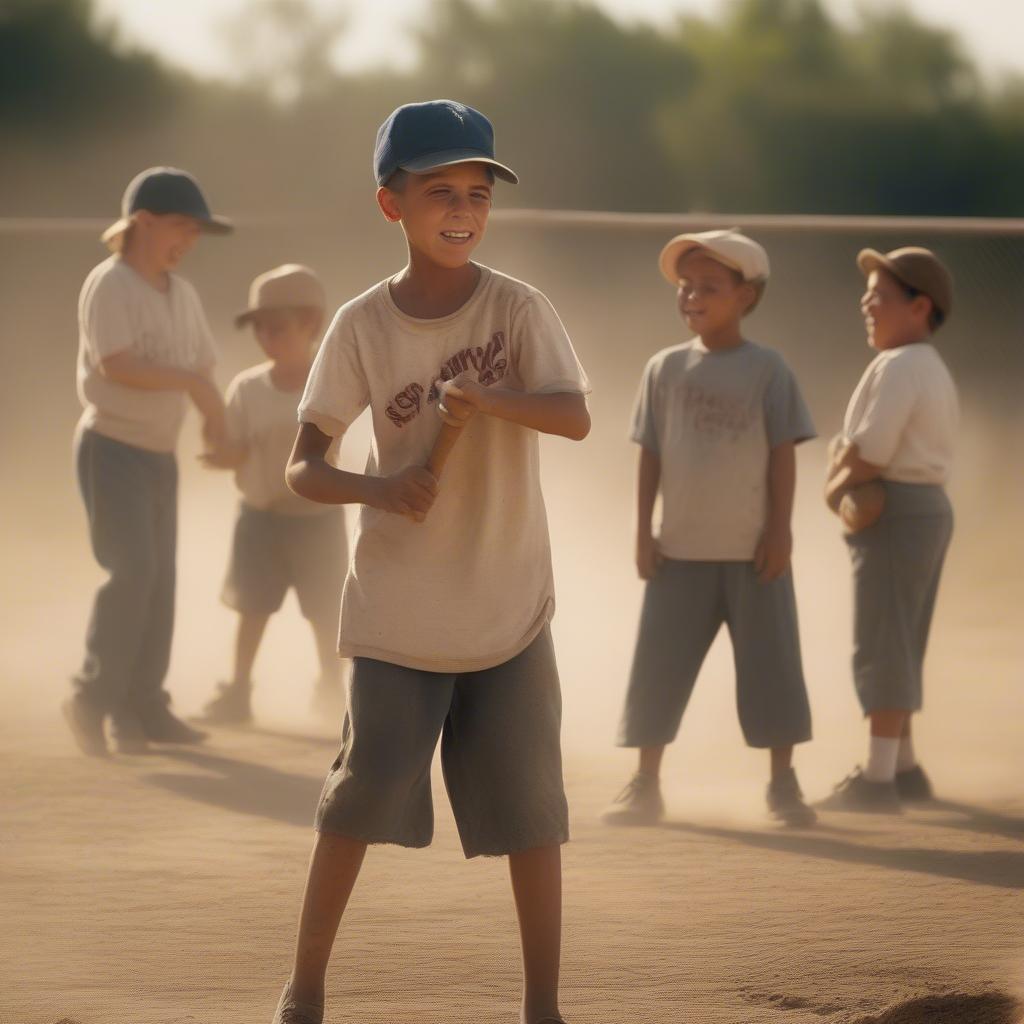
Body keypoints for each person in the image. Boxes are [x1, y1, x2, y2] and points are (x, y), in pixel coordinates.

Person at [270, 100, 590, 1024]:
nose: (462, 208)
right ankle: (306, 986)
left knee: (533, 810)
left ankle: (542, 1007)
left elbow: (573, 414)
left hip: (509, 606)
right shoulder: (362, 327)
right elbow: (305, 463)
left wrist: (489, 397)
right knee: (361, 793)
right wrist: (379, 490)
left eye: (478, 192)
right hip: (399, 614)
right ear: (391, 205)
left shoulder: (519, 308)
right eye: (439, 190)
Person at [602, 228, 817, 829]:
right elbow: (650, 453)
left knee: (772, 665)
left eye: (709, 287)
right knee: (658, 667)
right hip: (680, 552)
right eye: (685, 286)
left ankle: (783, 785)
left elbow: (782, 453)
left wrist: (781, 532)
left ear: (746, 295)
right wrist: (643, 532)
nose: (692, 296)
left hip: (753, 553)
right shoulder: (663, 369)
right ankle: (644, 782)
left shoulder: (767, 369)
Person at [63, 166, 231, 757]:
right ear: (142, 222)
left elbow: (203, 368)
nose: (188, 241)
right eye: (181, 226)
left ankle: (143, 708)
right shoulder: (111, 284)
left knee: (160, 581)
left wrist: (216, 423)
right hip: (111, 450)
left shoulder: (180, 293)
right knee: (132, 571)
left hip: (160, 457)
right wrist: (195, 388)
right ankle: (91, 699)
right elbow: (118, 364)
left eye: (195, 232)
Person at [821, 246, 957, 813]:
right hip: (923, 508)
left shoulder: (902, 364)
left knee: (883, 638)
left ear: (919, 306)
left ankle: (877, 782)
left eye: (880, 295)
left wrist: (833, 488)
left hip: (897, 509)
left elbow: (873, 452)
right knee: (901, 636)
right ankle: (904, 768)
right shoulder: (925, 363)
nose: (867, 303)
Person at [196, 264, 347, 725]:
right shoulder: (247, 387)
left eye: (277, 327)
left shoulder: (332, 381)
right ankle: (239, 691)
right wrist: (220, 454)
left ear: (311, 325)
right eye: (259, 327)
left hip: (317, 517)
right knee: (252, 608)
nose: (266, 337)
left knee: (325, 614)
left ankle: (332, 691)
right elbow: (237, 450)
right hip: (260, 517)